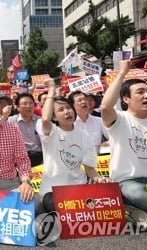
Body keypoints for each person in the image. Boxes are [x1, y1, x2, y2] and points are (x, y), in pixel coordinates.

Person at [100, 60, 147, 225]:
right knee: (138, 194)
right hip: (127, 183)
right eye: (140, 92)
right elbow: (105, 107)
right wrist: (122, 73)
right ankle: (129, 207)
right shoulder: (120, 119)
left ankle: (138, 213)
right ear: (126, 99)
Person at [36, 79, 108, 212]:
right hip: (53, 191)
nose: (67, 112)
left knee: (103, 204)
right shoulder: (50, 132)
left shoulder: (84, 136)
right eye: (61, 110)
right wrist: (52, 89)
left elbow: (90, 170)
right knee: (60, 208)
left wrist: (99, 179)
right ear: (55, 117)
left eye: (69, 108)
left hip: (79, 188)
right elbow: (45, 119)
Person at [7, 93, 43, 167]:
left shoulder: (40, 121)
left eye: (31, 103)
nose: (28, 106)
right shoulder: (11, 121)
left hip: (40, 157)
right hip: (20, 159)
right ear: (17, 107)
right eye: (24, 103)